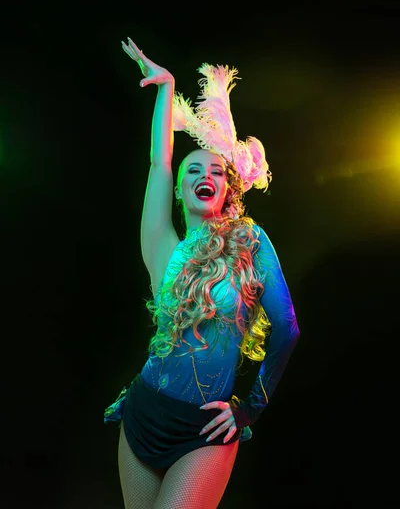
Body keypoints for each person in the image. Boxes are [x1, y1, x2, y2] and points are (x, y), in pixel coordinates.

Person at [104, 37, 300, 509]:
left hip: (204, 430)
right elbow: (159, 160)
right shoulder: (162, 245)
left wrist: (251, 407)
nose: (203, 174)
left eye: (215, 169)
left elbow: (288, 329)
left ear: (226, 190)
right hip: (143, 416)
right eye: (193, 169)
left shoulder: (249, 242)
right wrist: (166, 88)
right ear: (180, 188)